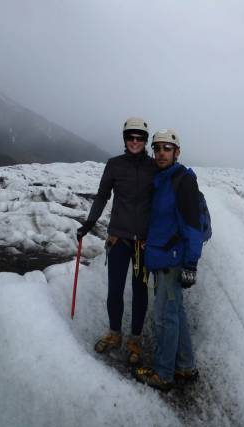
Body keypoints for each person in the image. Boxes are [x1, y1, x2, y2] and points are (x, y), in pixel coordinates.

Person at [76, 117, 157, 364]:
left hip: (143, 242)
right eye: (130, 137)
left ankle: (135, 339)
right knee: (115, 290)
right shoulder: (114, 165)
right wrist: (90, 222)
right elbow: (102, 196)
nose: (134, 142)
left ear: (145, 141)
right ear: (125, 139)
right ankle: (114, 334)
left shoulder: (155, 167)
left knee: (141, 291)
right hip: (119, 239)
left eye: (139, 138)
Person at [133, 129, 203, 391]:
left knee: (165, 317)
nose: (161, 153)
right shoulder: (162, 179)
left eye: (167, 148)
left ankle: (163, 374)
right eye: (158, 148)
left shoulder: (182, 181)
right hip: (161, 256)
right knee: (176, 314)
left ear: (177, 152)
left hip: (172, 262)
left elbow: (192, 226)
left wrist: (191, 264)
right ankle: (185, 366)